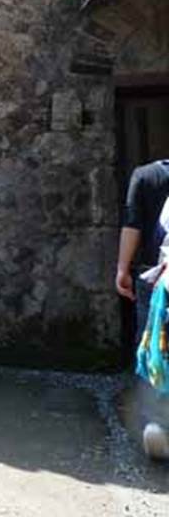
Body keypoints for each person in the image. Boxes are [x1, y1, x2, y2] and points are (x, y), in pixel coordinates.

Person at [115, 158, 169, 460]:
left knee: (153, 349)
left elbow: (132, 224)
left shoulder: (145, 176)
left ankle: (157, 423)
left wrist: (123, 269)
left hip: (155, 276)